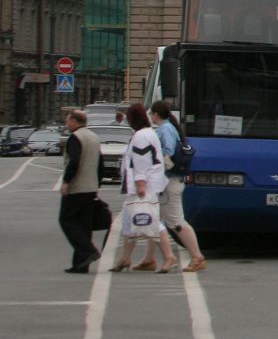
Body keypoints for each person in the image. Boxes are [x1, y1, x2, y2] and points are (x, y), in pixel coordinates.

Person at [132, 101, 208, 273]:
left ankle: (197, 257)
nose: (150, 117)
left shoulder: (165, 129)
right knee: (154, 219)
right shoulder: (169, 127)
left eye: (152, 114)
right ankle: (149, 259)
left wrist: (153, 162)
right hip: (170, 180)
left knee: (176, 221)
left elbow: (167, 151)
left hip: (169, 181)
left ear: (157, 114)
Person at [109, 104, 177, 274]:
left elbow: (141, 161)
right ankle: (125, 258)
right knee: (129, 219)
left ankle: (169, 256)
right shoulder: (149, 133)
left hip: (144, 185)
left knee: (151, 220)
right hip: (148, 183)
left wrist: (140, 184)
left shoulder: (140, 136)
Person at [56, 107, 102, 274]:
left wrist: (67, 182)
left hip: (77, 187)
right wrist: (98, 184)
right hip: (91, 187)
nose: (66, 123)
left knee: (66, 220)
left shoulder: (75, 138)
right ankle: (81, 264)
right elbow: (100, 164)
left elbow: (73, 162)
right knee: (84, 225)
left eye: (68, 120)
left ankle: (88, 251)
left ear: (75, 122)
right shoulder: (94, 137)